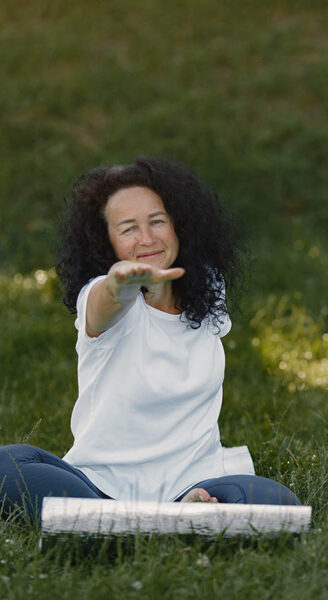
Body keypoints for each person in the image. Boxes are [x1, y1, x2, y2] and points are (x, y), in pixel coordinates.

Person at [0, 157, 299, 521]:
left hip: (196, 482)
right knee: (8, 464)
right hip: (101, 484)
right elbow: (105, 301)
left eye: (157, 221)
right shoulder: (100, 295)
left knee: (278, 504)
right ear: (105, 243)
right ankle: (147, 519)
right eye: (128, 229)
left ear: (179, 225)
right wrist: (120, 281)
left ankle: (117, 523)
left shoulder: (207, 289)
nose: (147, 238)